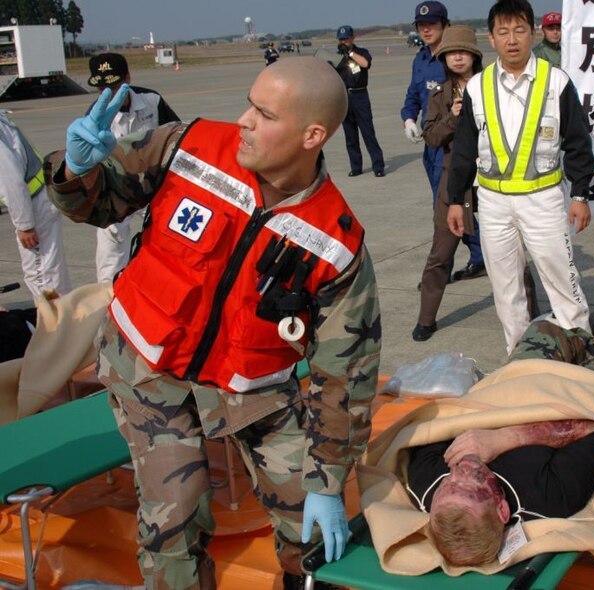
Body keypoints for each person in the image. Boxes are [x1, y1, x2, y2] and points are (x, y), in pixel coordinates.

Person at [45, 58, 382, 590]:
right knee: (175, 516)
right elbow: (97, 202)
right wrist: (75, 170)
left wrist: (327, 478)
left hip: (252, 390)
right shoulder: (188, 146)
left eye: (264, 113)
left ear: (311, 135)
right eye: (248, 103)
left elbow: (347, 375)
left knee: (312, 525)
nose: (244, 120)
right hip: (148, 367)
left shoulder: (335, 243)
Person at [407, 312, 594, 566]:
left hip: (514, 394)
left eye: (448, 485)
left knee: (546, 329)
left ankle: (588, 343)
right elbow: (593, 425)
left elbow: (444, 419)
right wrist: (505, 438)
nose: (461, 470)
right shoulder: (550, 499)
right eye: (473, 486)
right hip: (579, 400)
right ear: (502, 509)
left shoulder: (426, 482)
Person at [447, 0, 594, 354]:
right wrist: (457, 200)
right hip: (494, 204)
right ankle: (519, 356)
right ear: (492, 39)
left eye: (519, 30)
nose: (512, 40)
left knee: (561, 279)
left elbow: (577, 141)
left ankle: (582, 350)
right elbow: (465, 150)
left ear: (531, 34)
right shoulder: (477, 88)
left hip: (542, 200)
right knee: (506, 287)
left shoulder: (555, 81)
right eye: (503, 32)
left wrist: (580, 194)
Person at [413, 25, 539, 342]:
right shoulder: (439, 95)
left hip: (496, 177)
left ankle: (531, 316)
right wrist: (453, 116)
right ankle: (426, 318)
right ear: (443, 58)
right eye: (451, 53)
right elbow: (431, 136)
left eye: (463, 51)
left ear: (474, 56)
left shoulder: (495, 86)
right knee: (441, 251)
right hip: (455, 179)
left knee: (514, 251)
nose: (457, 57)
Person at [401, 1, 486, 283]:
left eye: (432, 25)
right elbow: (413, 94)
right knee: (449, 206)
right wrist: (409, 118)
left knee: (451, 207)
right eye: (421, 26)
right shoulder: (420, 59)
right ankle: (479, 257)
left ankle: (440, 269)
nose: (426, 30)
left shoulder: (455, 62)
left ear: (445, 26)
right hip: (432, 144)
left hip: (454, 148)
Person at [86, 52, 181, 284]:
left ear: (127, 77)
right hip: (117, 188)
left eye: (115, 85)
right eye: (101, 89)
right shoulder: (93, 116)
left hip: (155, 185)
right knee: (111, 249)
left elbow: (176, 135)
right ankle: (109, 300)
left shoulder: (152, 101)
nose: (108, 93)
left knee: (170, 238)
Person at [0, 112, 71, 300]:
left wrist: (25, 225)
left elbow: (11, 181)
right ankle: (65, 320)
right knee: (50, 270)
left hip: (33, 208)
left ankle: (57, 323)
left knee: (42, 275)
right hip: (37, 200)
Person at [335, 25, 386, 178]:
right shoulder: (336, 56)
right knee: (350, 136)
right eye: (341, 39)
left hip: (360, 96)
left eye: (346, 39)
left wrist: (350, 53)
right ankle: (356, 167)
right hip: (344, 97)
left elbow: (365, 64)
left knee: (368, 133)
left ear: (352, 38)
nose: (344, 42)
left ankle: (378, 166)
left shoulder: (361, 52)